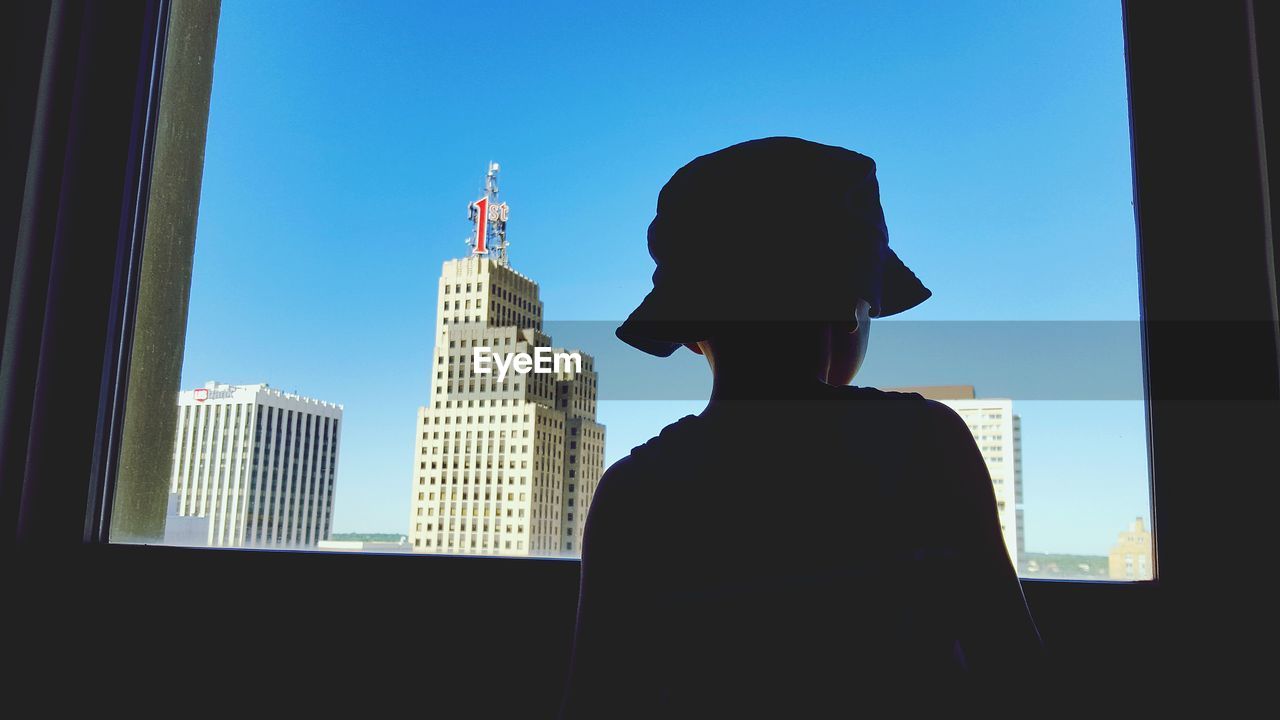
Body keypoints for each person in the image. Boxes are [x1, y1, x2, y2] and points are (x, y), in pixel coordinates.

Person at [558, 137, 1042, 718]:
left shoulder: (632, 493)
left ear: (688, 330)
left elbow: (598, 700)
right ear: (849, 306)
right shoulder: (928, 444)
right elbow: (1019, 676)